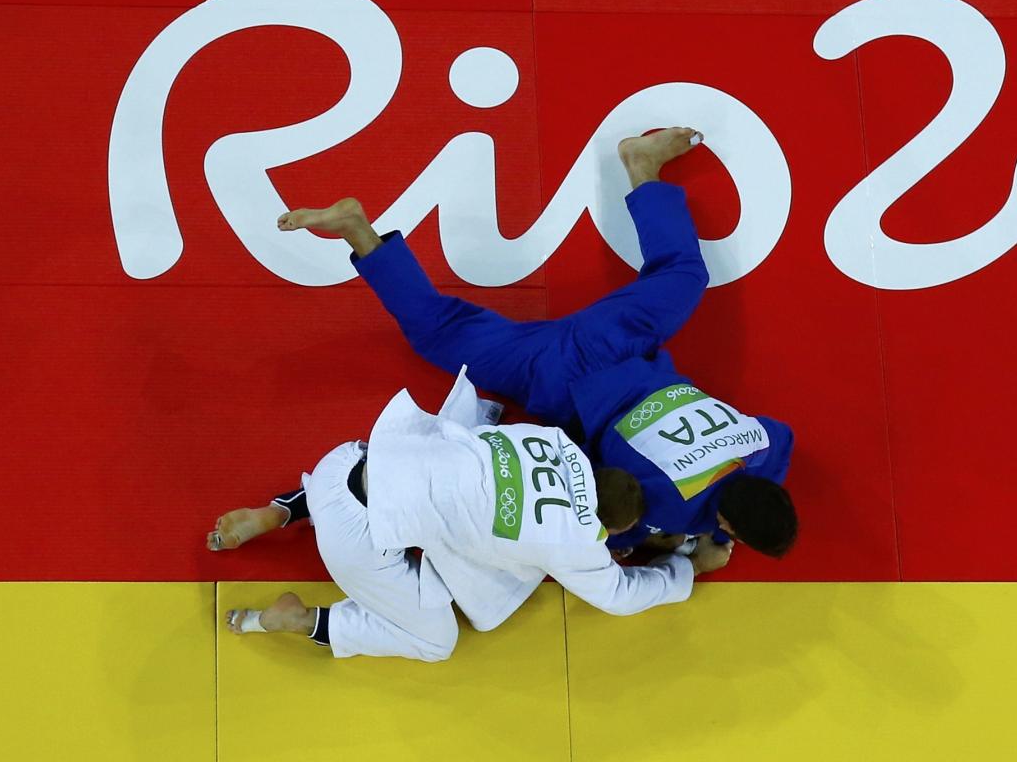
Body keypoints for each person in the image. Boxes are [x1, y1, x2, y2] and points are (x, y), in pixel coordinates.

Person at [275, 127, 798, 565]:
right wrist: (707, 545)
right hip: (558, 375)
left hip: (620, 335)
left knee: (683, 272)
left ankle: (642, 165)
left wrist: (722, 526)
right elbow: (611, 521)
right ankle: (358, 231)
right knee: (438, 330)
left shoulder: (771, 447)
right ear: (728, 519)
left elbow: (768, 450)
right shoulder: (673, 507)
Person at [210, 367, 729, 660]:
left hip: (348, 457)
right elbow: (619, 595)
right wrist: (691, 568)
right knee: (437, 641)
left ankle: (282, 511)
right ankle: (305, 621)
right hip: (352, 538)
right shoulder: (575, 543)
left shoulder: (549, 439)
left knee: (449, 463)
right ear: (611, 528)